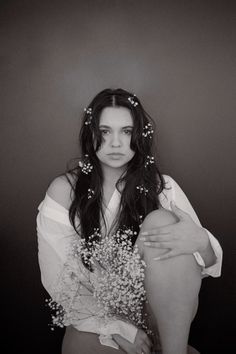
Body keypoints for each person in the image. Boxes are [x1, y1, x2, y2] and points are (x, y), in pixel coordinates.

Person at [37, 88, 222, 354]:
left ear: (138, 136)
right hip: (95, 319)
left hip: (158, 314)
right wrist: (118, 328)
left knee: (161, 222)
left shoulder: (162, 187)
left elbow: (204, 263)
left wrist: (202, 241)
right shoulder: (64, 191)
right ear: (91, 135)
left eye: (126, 131)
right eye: (104, 131)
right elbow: (58, 281)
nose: (115, 143)